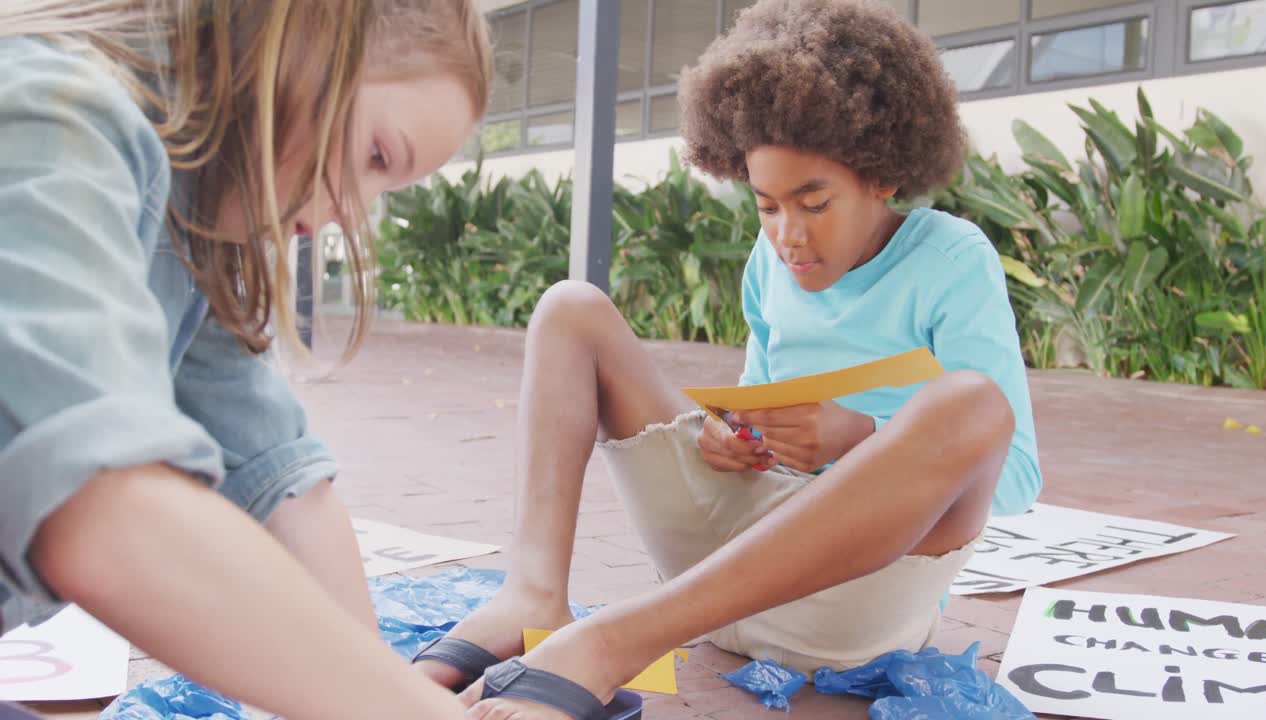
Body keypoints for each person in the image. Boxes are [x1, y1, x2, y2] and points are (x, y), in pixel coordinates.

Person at [414, 1, 1043, 718]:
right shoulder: (768, 264)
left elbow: (1014, 475)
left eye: (813, 202)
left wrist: (861, 436)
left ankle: (612, 642)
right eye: (766, 206)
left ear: (883, 176)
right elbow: (760, 402)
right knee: (569, 309)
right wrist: (732, 437)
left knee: (970, 405)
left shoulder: (952, 260)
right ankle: (531, 596)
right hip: (721, 578)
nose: (787, 236)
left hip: (850, 602)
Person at [0, 2, 491, 718]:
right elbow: (106, 517)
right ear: (300, 39)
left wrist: (390, 691)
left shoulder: (191, 214)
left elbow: (282, 483)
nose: (355, 213)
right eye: (377, 157)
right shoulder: (55, 114)